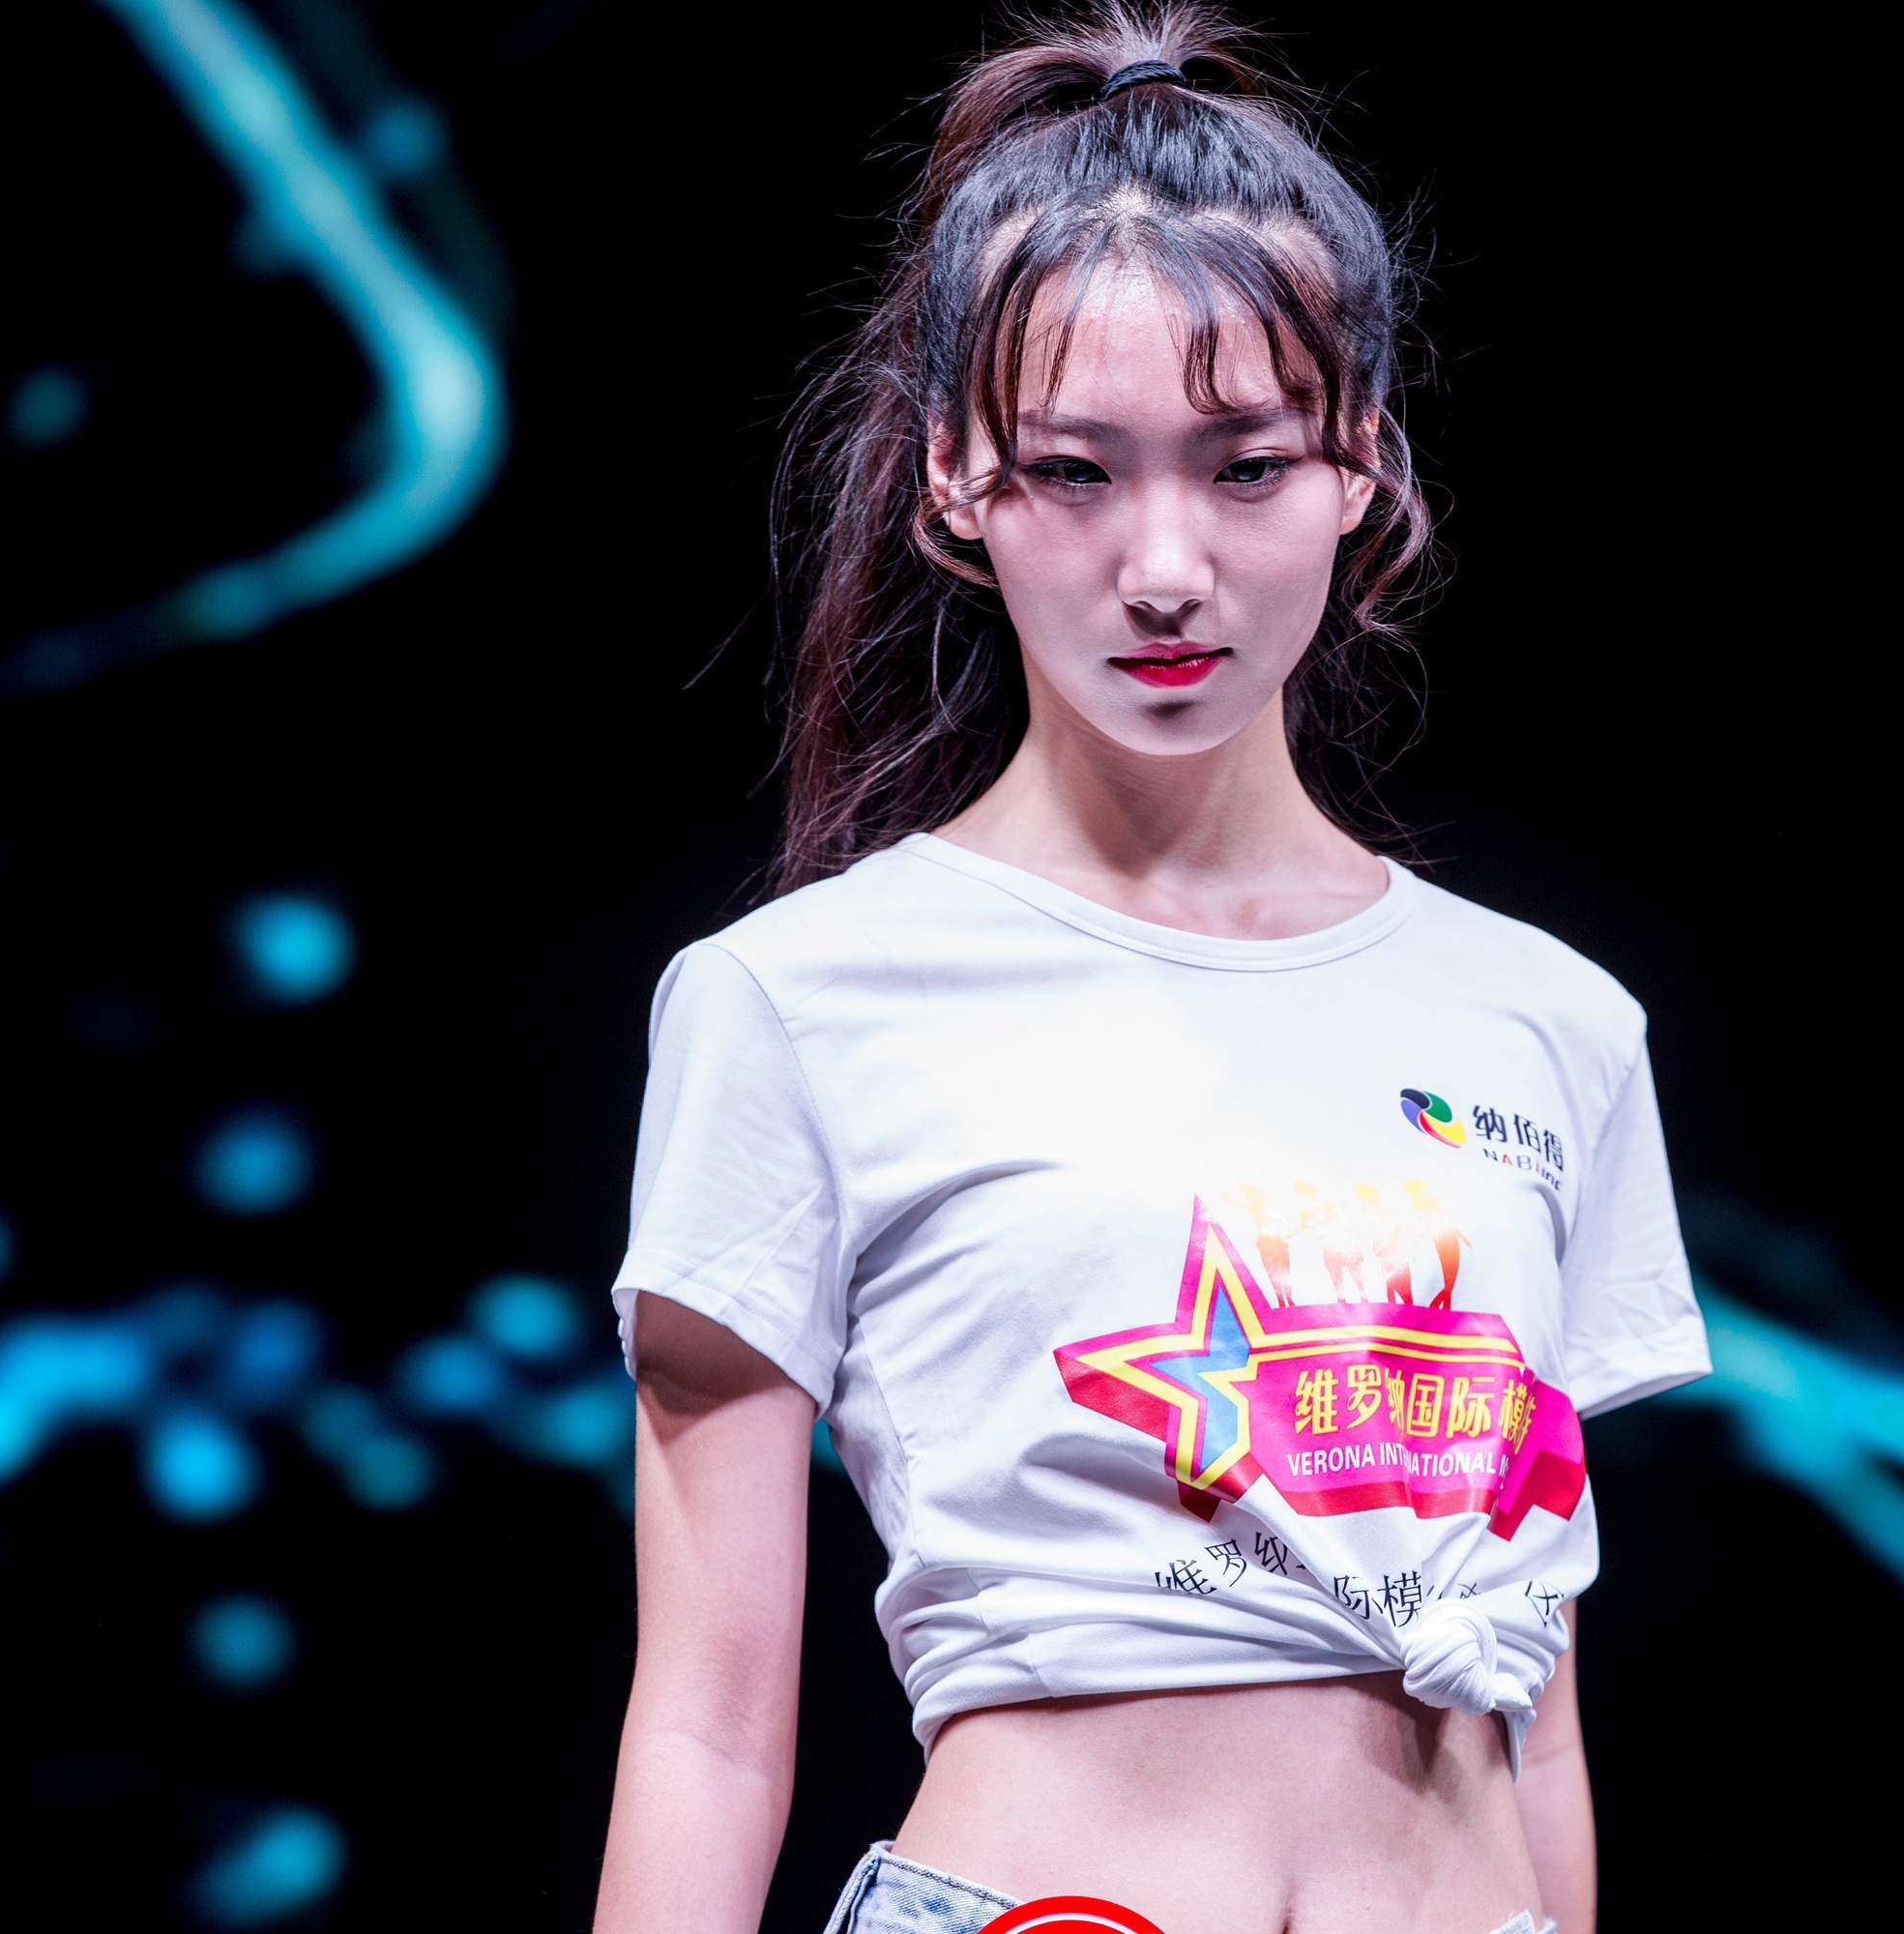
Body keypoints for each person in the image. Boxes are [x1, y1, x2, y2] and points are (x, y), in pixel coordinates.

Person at [592, 7, 1712, 1931]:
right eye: (1076, 472)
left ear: (1363, 462)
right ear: (953, 479)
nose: (1168, 565)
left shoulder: (1550, 1024)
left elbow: (1530, 1694)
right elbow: (705, 1728)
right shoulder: (796, 1003)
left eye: (1246, 465)